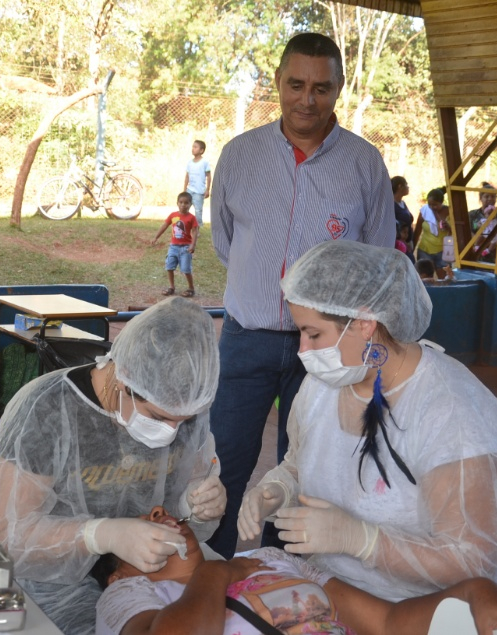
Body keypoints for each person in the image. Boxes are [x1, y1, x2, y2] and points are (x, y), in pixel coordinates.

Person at [236, 241, 497, 633]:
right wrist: (277, 489)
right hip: (339, 594)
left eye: (313, 334)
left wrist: (363, 540)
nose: (303, 350)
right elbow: (301, 462)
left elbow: (473, 562)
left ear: (364, 324)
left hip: (427, 611)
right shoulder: (324, 384)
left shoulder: (449, 412)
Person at [208, 32, 395, 558]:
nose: (307, 100)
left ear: (338, 89)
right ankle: (212, 568)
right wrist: (264, 287)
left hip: (328, 352)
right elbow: (226, 242)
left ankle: (290, 574)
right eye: (296, 85)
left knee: (310, 469)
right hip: (247, 338)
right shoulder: (240, 155)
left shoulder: (363, 163)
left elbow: (377, 258)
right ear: (278, 83)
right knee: (225, 461)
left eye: (321, 88)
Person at [0, 297, 226, 634]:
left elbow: (188, 520)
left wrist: (195, 508)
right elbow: (6, 539)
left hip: (160, 568)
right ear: (123, 378)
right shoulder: (45, 409)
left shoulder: (186, 406)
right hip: (56, 581)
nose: (171, 432)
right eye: (159, 417)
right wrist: (100, 535)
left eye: (182, 420)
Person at [92, 506, 497, 635]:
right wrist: (214, 575)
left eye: (160, 512)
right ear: (120, 573)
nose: (158, 513)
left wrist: (469, 596)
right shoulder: (127, 596)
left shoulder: (270, 561)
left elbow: (388, 623)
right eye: (142, 523)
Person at [152, 192, 199, 297]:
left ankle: (191, 288)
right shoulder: (173, 216)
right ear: (177, 203)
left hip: (186, 248)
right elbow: (164, 225)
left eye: (186, 203)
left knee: (186, 269)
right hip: (173, 247)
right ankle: (171, 287)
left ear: (190, 204)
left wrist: (193, 245)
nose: (183, 205)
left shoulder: (191, 218)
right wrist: (156, 237)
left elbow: (195, 231)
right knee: (169, 267)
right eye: (181, 202)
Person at [412, 187, 451, 279]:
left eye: (435, 205)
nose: (432, 207)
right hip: (425, 250)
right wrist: (412, 247)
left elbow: (455, 233)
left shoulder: (450, 212)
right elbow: (417, 231)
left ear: (442, 202)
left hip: (442, 251)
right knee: (424, 278)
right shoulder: (425, 211)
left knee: (443, 279)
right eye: (430, 204)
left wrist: (448, 227)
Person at [468, 182, 497, 264]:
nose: (490, 199)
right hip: (476, 257)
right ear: (480, 198)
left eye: (493, 196)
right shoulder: (473, 214)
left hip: (495, 258)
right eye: (486, 196)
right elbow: (468, 234)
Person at [184, 140, 211, 226]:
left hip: (199, 192)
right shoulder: (189, 163)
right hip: (189, 190)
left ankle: (197, 227)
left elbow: (209, 176)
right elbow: (187, 176)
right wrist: (185, 190)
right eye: (193, 147)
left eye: (195, 147)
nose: (193, 149)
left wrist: (207, 190)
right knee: (185, 208)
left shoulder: (204, 162)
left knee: (198, 211)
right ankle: (185, 226)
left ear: (201, 150)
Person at [391, 176, 414, 257]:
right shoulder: (391, 205)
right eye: (406, 185)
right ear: (400, 186)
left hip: (407, 242)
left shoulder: (402, 203)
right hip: (400, 245)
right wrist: (402, 241)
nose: (408, 188)